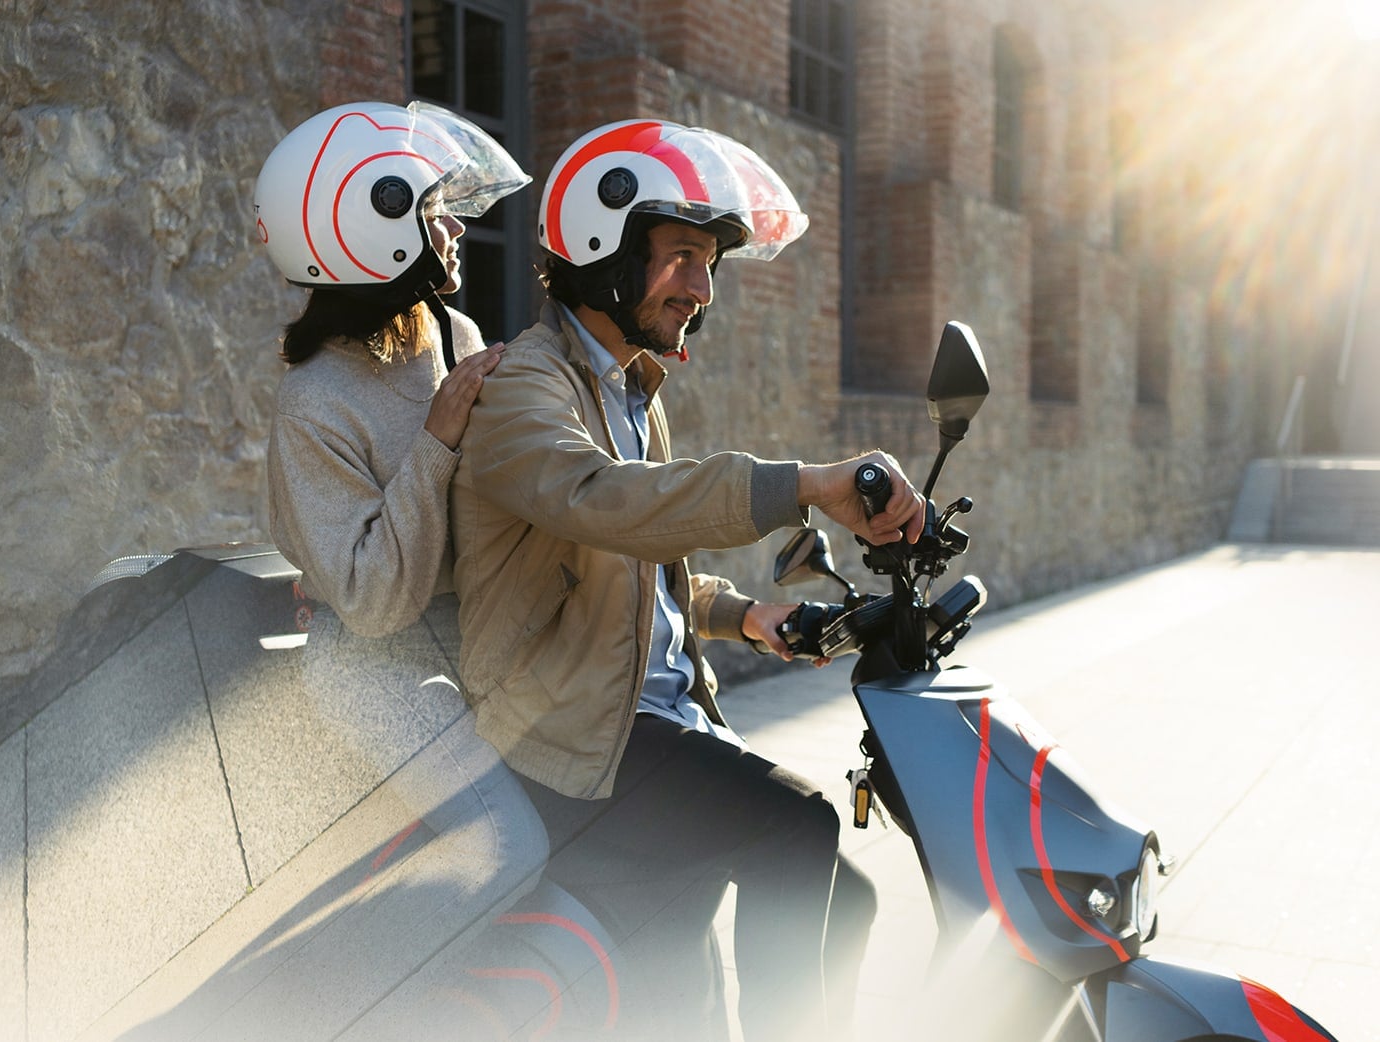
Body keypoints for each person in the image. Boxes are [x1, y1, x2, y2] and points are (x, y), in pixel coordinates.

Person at [449, 119, 928, 1042]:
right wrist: (812, 484)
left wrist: (749, 616)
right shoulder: (527, 389)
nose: (702, 289)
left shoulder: (631, 392)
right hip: (570, 742)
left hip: (651, 721)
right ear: (603, 248)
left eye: (710, 266)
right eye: (680, 258)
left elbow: (639, 571)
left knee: (852, 898)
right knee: (798, 829)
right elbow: (606, 503)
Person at [252, 101, 547, 1002]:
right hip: (376, 665)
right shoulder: (314, 407)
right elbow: (375, 600)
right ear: (367, 232)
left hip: (479, 641)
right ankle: (325, 1007)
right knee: (508, 848)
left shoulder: (451, 339)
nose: (455, 228)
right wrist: (441, 438)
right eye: (431, 212)